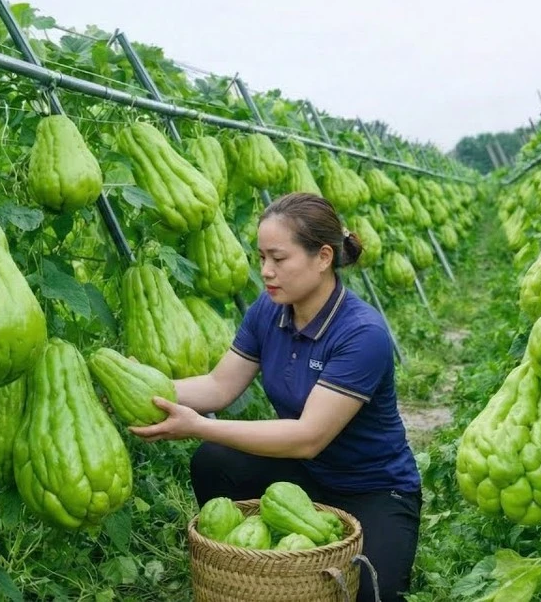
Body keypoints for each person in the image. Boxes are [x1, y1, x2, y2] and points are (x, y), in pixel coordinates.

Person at [129, 192, 422, 602]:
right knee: (215, 461)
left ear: (322, 258)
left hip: (372, 488)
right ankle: (239, 565)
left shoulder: (362, 333)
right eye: (261, 257)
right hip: (303, 476)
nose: (266, 271)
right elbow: (219, 386)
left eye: (279, 259)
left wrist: (199, 427)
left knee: (370, 593)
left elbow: (308, 437)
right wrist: (140, 385)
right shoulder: (267, 311)